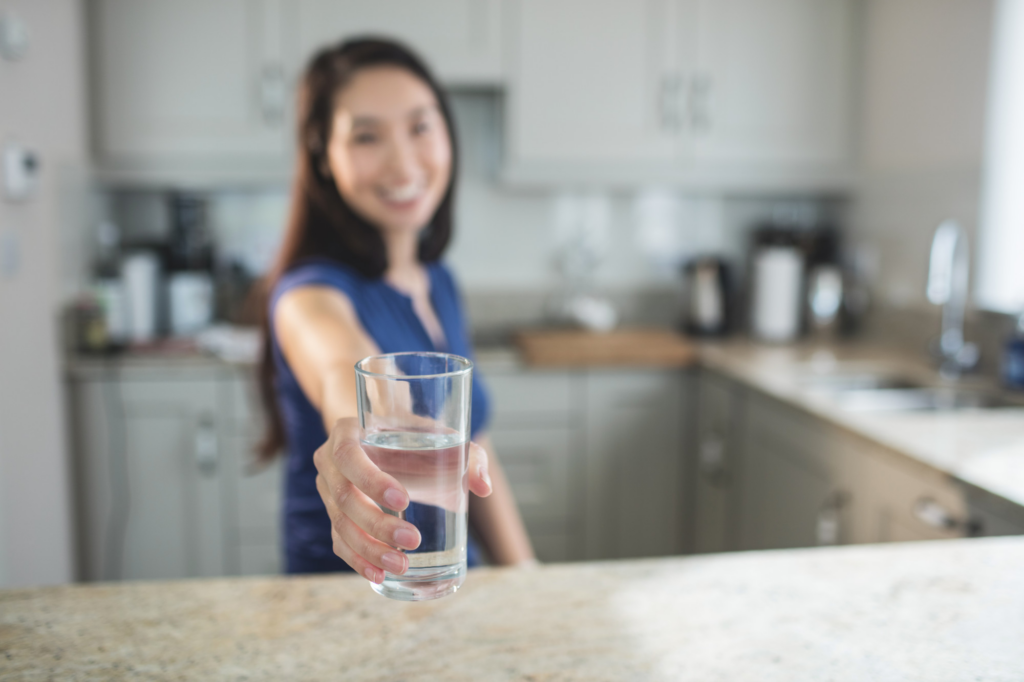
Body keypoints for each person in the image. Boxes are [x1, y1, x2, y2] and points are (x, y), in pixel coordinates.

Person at [256, 38, 536, 582]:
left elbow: (474, 449)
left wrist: (527, 577)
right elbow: (340, 366)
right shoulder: (307, 294)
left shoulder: (439, 282)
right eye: (366, 136)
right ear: (323, 157)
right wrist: (365, 426)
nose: (402, 161)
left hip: (454, 591)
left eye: (420, 127)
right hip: (347, 600)